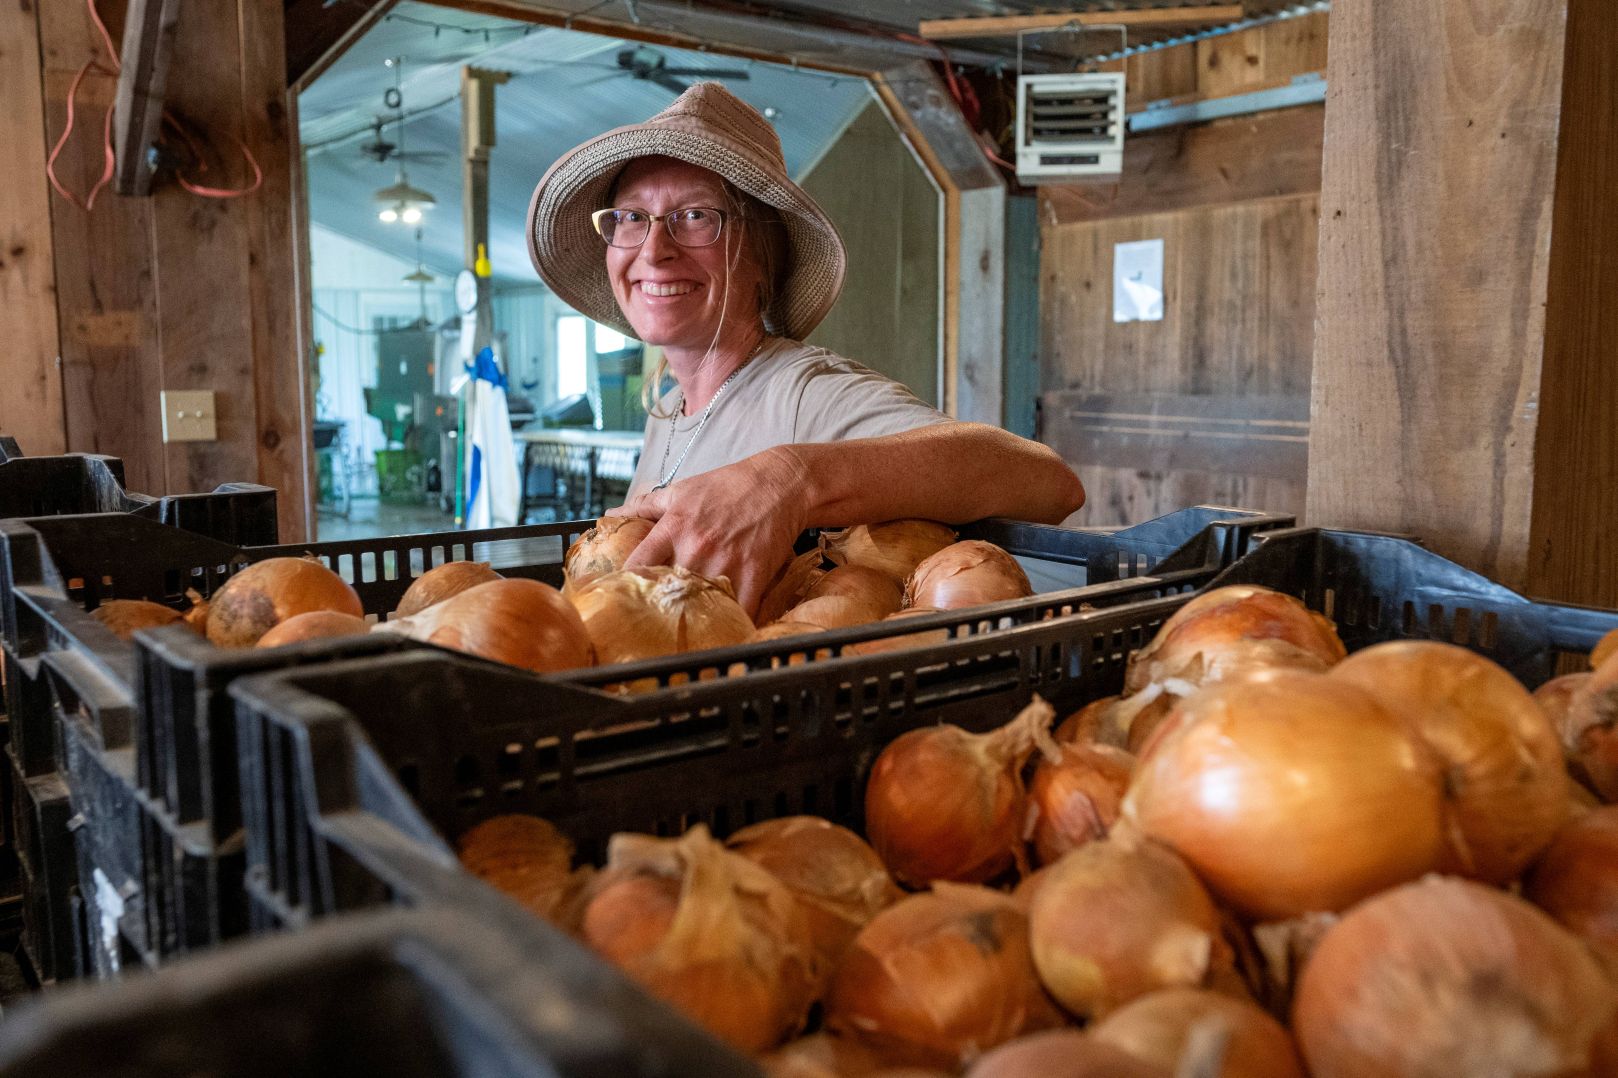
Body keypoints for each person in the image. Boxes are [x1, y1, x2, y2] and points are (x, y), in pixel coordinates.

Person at [526, 83, 1084, 616]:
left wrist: (793, 477)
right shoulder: (669, 412)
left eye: (695, 216)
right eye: (631, 218)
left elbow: (1048, 484)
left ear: (762, 256)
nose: (654, 249)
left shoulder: (804, 394)